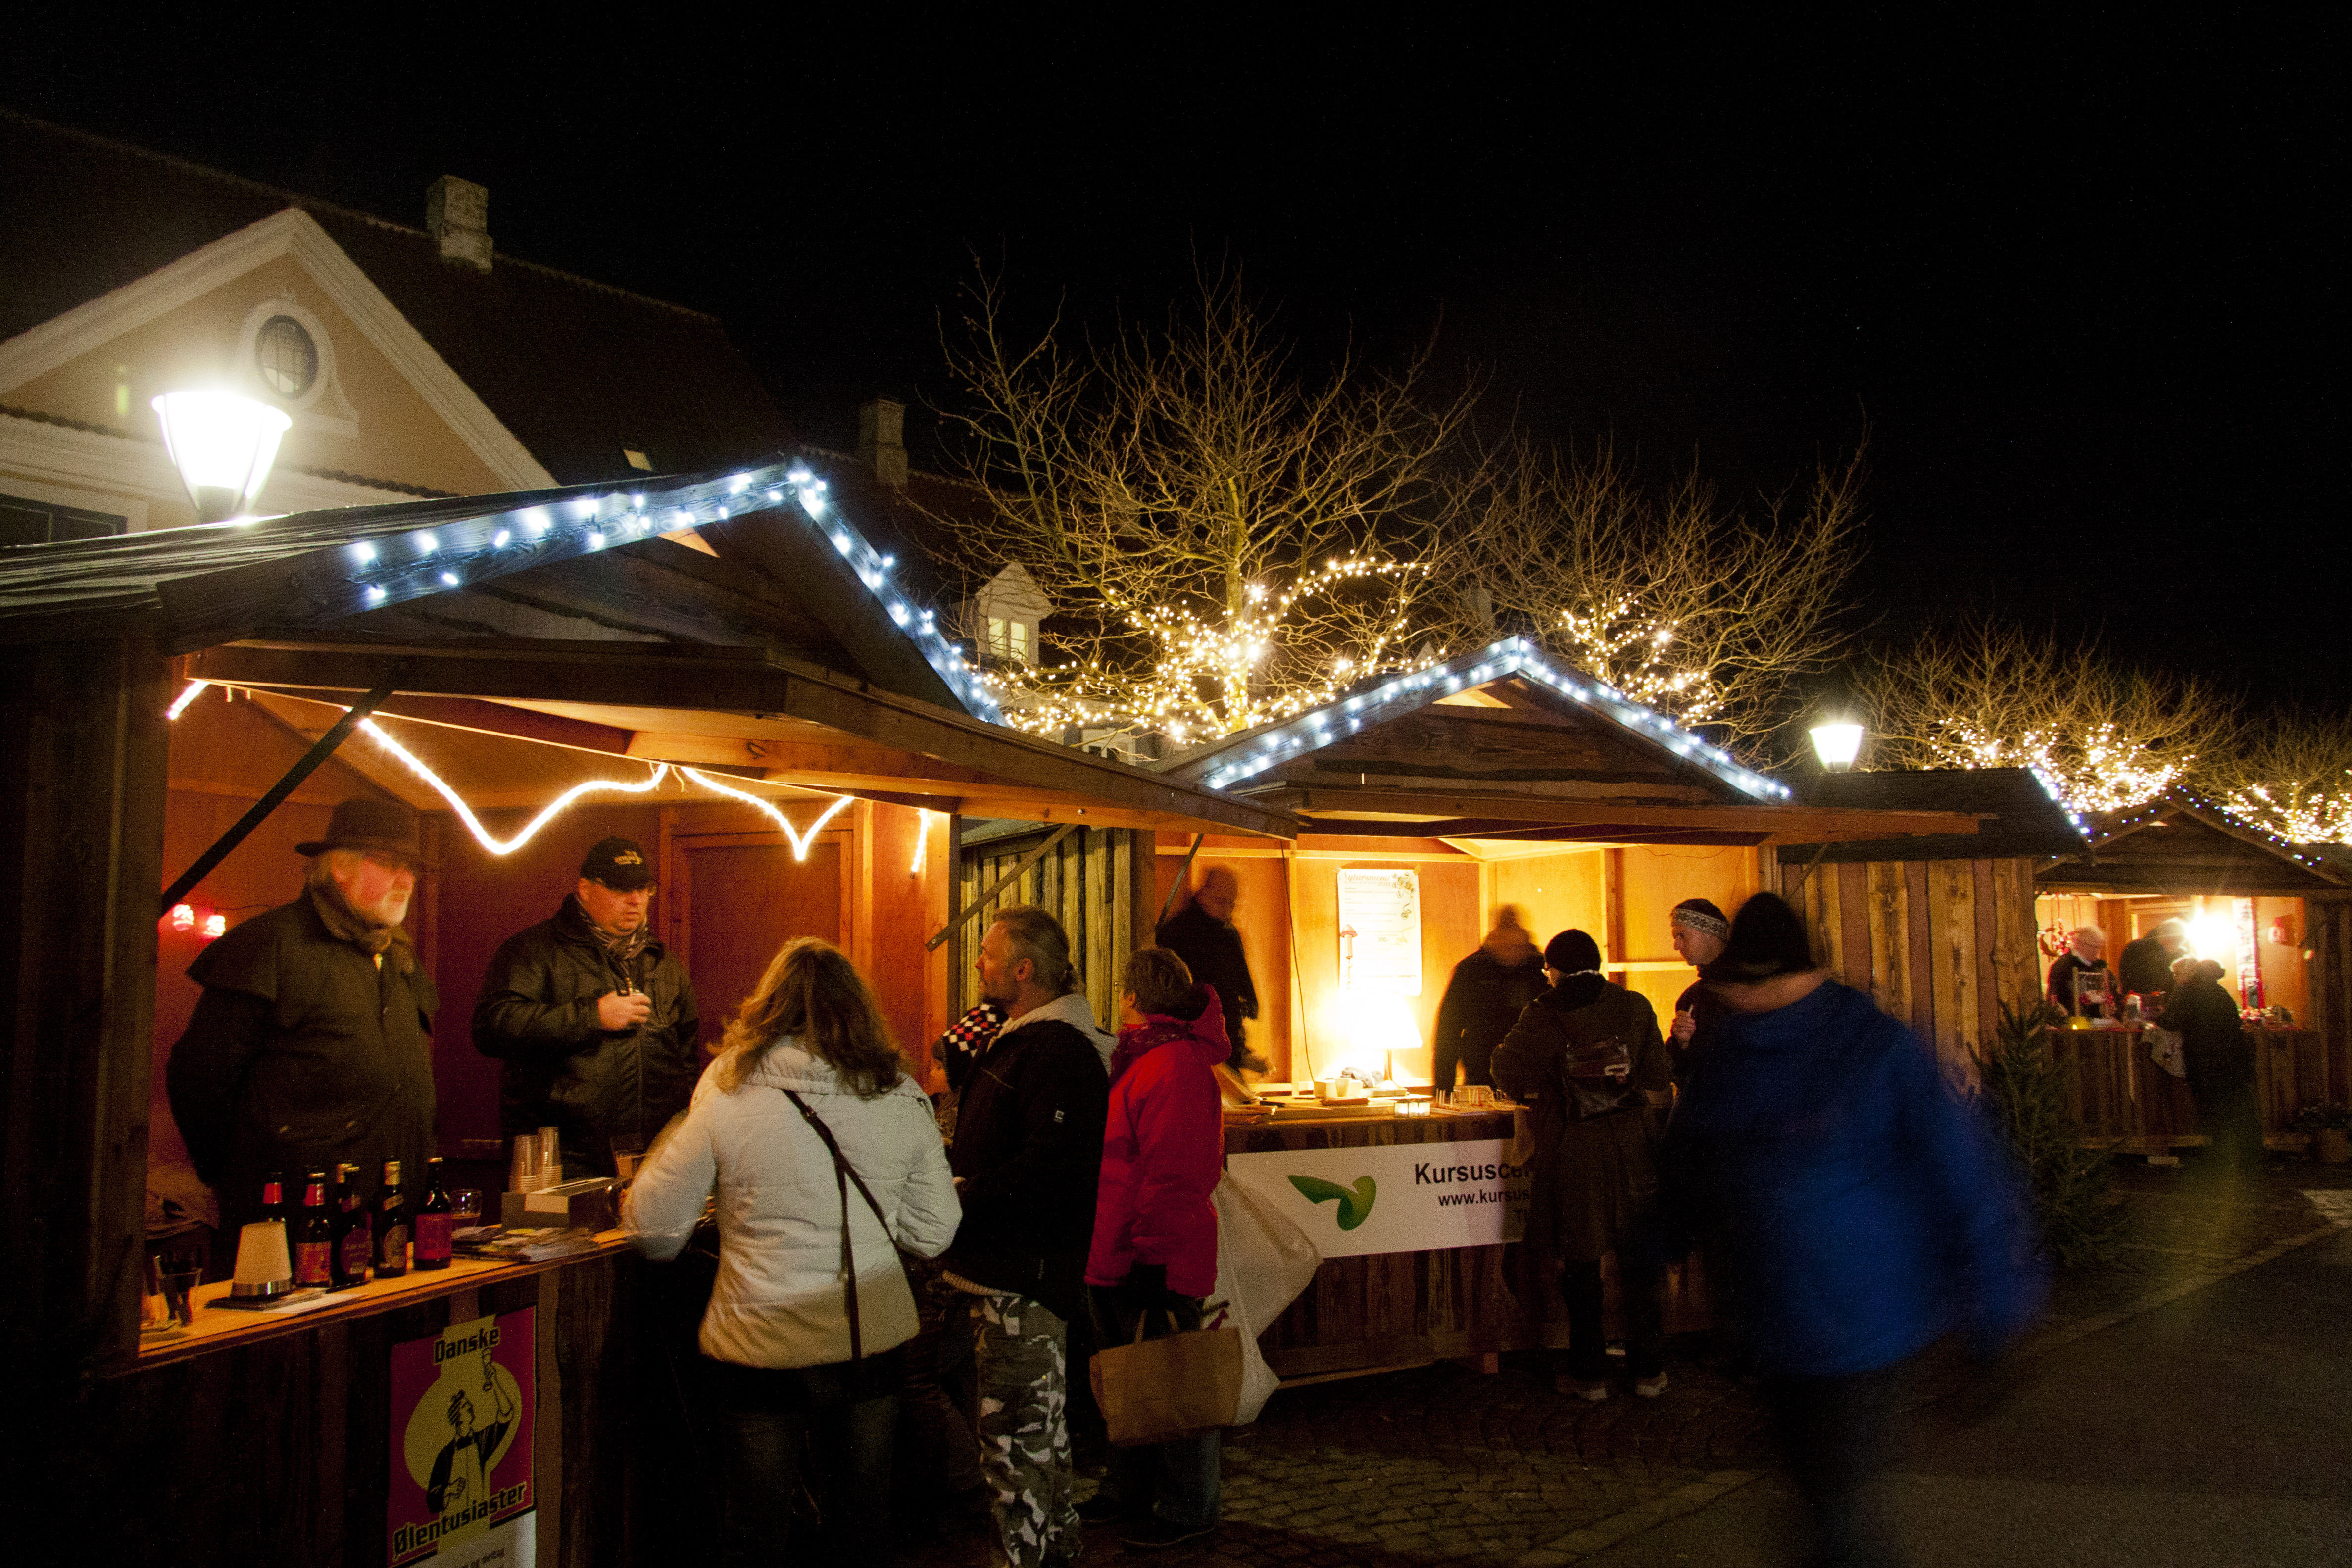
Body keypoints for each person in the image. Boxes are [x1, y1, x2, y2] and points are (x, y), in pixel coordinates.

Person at [1659, 893, 2046, 1568]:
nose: (1740, 1002)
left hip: (1862, 1323)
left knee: (1831, 1514)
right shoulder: (1731, 1055)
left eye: (1749, 986)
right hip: (1770, 1321)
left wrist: (1995, 1318)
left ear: (1788, 977)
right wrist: (1654, 1240)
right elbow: (1694, 1163)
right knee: (1813, 1500)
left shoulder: (1875, 1049)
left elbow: (1964, 1175)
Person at [625, 937, 959, 1568]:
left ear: (767, 1007)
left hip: (759, 1343)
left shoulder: (724, 1090)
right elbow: (936, 1230)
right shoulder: (901, 1096)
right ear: (859, 1009)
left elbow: (655, 1229)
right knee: (860, 1525)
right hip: (867, 1340)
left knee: (755, 1529)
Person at [166, 797, 437, 1272]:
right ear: (339, 868)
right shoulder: (270, 945)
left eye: (412, 869)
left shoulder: (399, 958)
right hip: (296, 1217)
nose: (406, 881)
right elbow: (200, 1079)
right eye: (392, 865)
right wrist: (239, 1178)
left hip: (390, 1209)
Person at [942, 905, 1114, 1568]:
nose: (978, 965)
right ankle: (1057, 1548)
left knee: (1014, 1443)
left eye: (988, 954)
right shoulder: (1023, 1040)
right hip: (1005, 1271)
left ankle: (1026, 1558)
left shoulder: (1058, 1052)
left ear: (1023, 968)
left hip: (1023, 1276)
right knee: (1034, 1438)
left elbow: (1053, 1163)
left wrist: (965, 1193)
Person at [1082, 948, 1227, 1550]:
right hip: (1123, 1244)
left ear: (1136, 1000)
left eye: (1122, 993)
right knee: (1131, 1378)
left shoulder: (1169, 1065)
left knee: (1174, 1379)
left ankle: (1190, 1505)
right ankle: (1131, 1490)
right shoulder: (1150, 1060)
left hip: (1153, 1251)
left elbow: (1175, 1171)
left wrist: (1152, 1256)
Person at [1491, 929, 1673, 1400]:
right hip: (1633, 1146)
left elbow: (1506, 1069)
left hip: (1575, 1148)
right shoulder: (1634, 1006)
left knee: (1581, 1266)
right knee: (1639, 1266)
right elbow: (1656, 1075)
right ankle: (1649, 1373)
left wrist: (1546, 1086)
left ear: (1554, 969)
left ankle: (1589, 1376)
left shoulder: (1543, 1011)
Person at [472, 836, 699, 1179]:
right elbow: (491, 1026)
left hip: (654, 1159)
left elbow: (686, 1062)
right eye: (621, 889)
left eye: (643, 888)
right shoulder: (534, 950)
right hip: (561, 1160)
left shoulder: (664, 965)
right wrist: (593, 1017)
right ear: (586, 889)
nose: (635, 900)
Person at [1155, 866, 1265, 1073]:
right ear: (1203, 895)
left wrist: (1239, 1051)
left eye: (1232, 904)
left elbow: (1232, 997)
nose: (1228, 910)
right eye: (1221, 901)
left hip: (1223, 1040)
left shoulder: (1228, 934)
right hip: (1187, 1043)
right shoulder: (1177, 932)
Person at [2159, 956, 2261, 1177]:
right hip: (2234, 1057)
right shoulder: (2221, 992)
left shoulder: (2189, 992)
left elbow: (2171, 1022)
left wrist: (2158, 1016)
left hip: (2205, 1058)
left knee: (2214, 1108)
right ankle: (2251, 1155)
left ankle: (2221, 1158)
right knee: (2240, 1104)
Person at [1430, 905, 1547, 1093]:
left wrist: (1443, 1088)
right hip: (1506, 1075)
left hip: (1503, 1073)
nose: (1511, 954)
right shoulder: (1540, 970)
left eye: (1516, 948)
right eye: (1506, 946)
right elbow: (1448, 1031)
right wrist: (1444, 1087)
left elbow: (1448, 1031)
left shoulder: (1472, 969)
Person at [1665, 897, 1732, 1083]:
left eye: (1682, 936)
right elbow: (1678, 1073)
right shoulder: (1691, 998)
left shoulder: (1747, 988)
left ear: (1710, 934)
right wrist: (1683, 1044)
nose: (1676, 946)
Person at [2046, 925, 2113, 1017]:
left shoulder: (2101, 967)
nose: (2097, 951)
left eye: (2099, 947)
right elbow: (2056, 998)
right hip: (2073, 1021)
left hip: (2102, 1021)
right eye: (2093, 947)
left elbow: (2113, 992)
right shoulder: (2063, 966)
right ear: (2080, 944)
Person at [2118, 917, 2189, 999]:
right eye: (2178, 943)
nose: (2179, 947)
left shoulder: (2179, 953)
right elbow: (2128, 981)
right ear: (2169, 938)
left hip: (2147, 1001)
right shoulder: (2135, 950)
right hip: (2138, 1001)